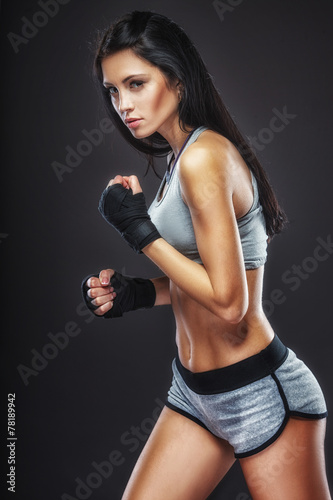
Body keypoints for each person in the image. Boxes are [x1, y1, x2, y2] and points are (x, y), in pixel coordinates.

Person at [81, 10, 331, 500]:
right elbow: (204, 280)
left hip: (260, 393)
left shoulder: (204, 157)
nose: (123, 104)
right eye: (113, 91)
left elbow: (231, 303)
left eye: (135, 83)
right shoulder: (181, 158)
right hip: (197, 394)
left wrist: (139, 230)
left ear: (175, 77)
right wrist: (135, 294)